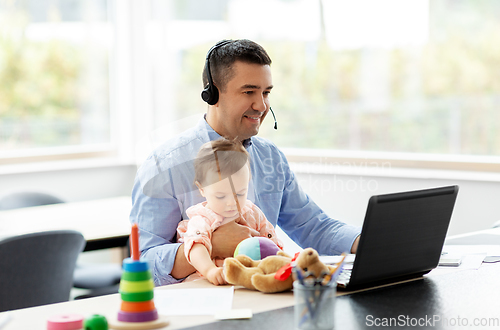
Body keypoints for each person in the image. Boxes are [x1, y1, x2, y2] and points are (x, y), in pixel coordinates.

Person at [130, 39, 361, 286]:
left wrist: (371, 242)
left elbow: (314, 227)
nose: (261, 105)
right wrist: (213, 245)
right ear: (213, 94)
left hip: (264, 298)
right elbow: (144, 262)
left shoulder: (270, 158)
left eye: (266, 92)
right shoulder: (163, 165)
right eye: (249, 92)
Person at [176, 138, 283, 285]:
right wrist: (210, 271)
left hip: (250, 279)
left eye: (240, 194)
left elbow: (271, 242)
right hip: (212, 282)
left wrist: (283, 262)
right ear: (201, 189)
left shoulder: (252, 212)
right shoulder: (203, 219)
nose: (231, 203)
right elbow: (196, 247)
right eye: (220, 196)